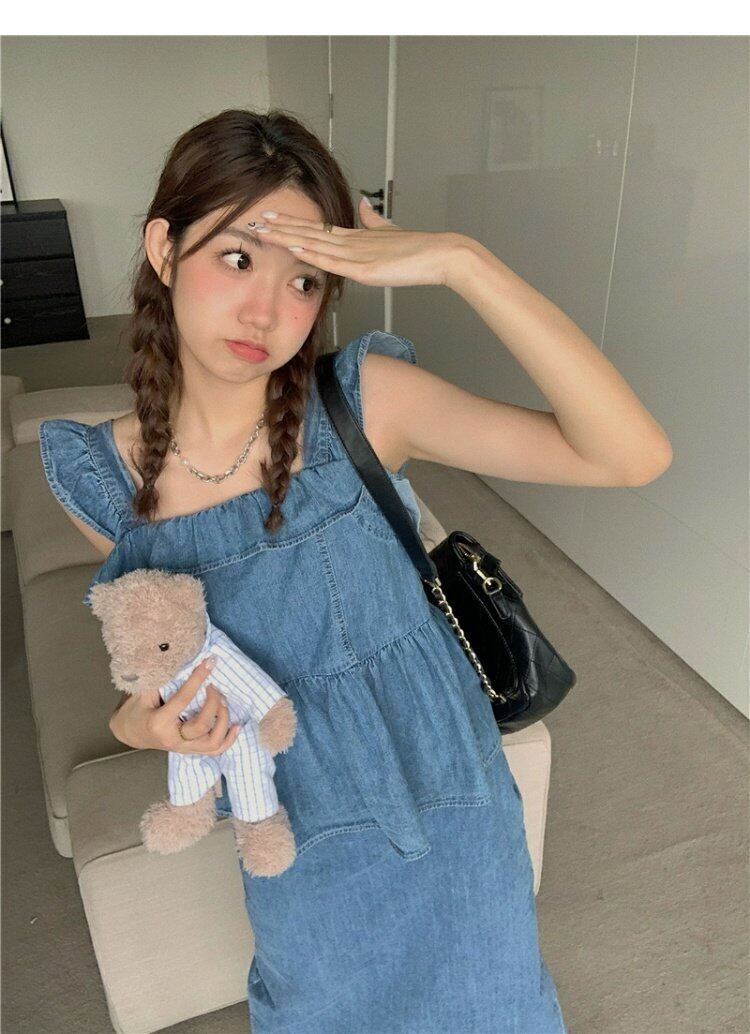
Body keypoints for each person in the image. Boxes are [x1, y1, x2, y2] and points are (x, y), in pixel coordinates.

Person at [38, 107, 672, 1033]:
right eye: (238, 258)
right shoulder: (103, 482)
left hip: (448, 808)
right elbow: (164, 655)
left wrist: (464, 262)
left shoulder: (364, 405)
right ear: (164, 249)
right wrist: (138, 727)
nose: (266, 312)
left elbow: (632, 455)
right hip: (292, 833)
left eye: (304, 280)